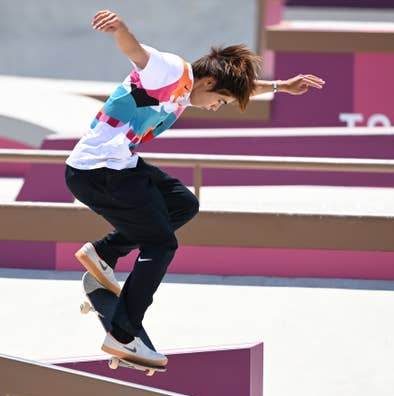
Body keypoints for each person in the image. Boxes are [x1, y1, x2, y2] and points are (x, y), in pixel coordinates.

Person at [65, 10, 325, 367]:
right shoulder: (171, 72)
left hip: (115, 165)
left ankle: (103, 254)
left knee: (182, 204)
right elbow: (138, 54)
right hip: (98, 172)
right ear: (207, 84)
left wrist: (280, 86)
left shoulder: (187, 90)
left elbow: (239, 88)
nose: (218, 107)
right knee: (161, 243)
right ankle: (123, 336)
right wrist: (121, 29)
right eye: (222, 101)